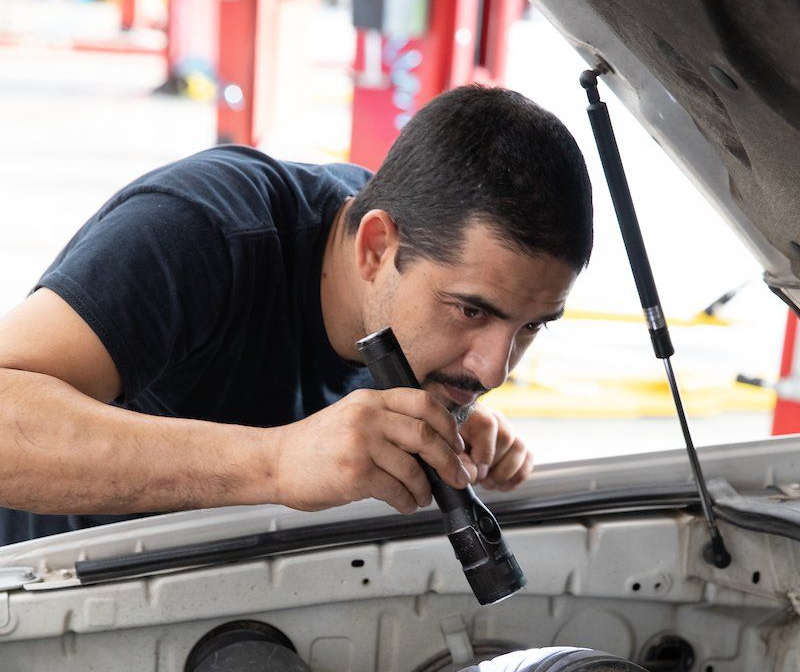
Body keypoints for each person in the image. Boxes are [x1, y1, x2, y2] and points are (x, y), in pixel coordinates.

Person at [0, 84, 592, 547]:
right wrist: (277, 461)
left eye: (530, 326)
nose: (494, 372)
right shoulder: (201, 231)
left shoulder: (414, 266)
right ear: (376, 248)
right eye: (470, 311)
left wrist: (434, 424)